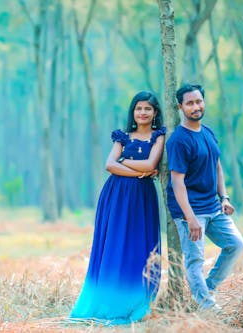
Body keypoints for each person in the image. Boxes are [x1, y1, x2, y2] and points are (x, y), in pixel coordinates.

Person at [69, 91, 166, 324]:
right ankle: (107, 299)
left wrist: (124, 162)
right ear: (133, 112)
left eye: (147, 109)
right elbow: (109, 165)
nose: (142, 113)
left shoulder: (159, 136)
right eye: (138, 108)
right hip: (115, 197)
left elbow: (152, 163)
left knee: (139, 246)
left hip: (142, 199)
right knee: (113, 246)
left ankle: (135, 301)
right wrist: (140, 171)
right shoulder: (122, 136)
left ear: (155, 113)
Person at [166, 83, 243, 311]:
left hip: (214, 206)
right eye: (190, 103)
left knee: (236, 244)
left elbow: (217, 167)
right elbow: (177, 181)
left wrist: (225, 197)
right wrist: (189, 217)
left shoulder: (208, 132)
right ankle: (208, 308)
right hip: (191, 211)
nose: (196, 106)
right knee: (194, 261)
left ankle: (207, 289)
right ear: (180, 107)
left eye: (199, 101)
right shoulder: (178, 140)